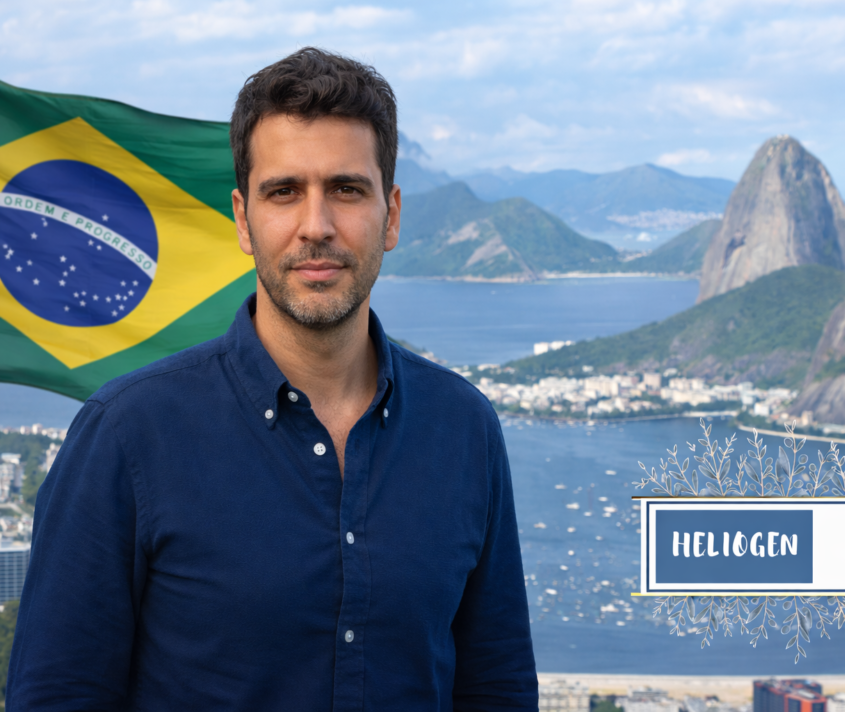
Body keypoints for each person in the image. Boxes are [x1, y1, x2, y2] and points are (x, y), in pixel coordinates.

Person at [7, 47, 538, 710]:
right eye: (283, 192)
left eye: (346, 190)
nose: (316, 227)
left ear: (392, 214)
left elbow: (499, 685)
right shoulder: (127, 436)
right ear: (242, 219)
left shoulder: (463, 429)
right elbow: (58, 695)